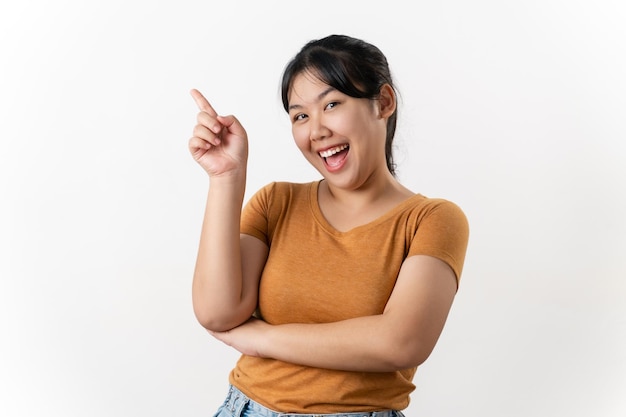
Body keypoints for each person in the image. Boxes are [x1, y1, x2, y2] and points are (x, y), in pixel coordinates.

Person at [188, 34, 469, 417]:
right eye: (300, 115)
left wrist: (261, 338)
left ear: (383, 103)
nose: (316, 130)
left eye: (332, 104)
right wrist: (226, 178)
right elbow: (217, 313)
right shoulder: (276, 203)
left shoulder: (431, 220)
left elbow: (401, 342)